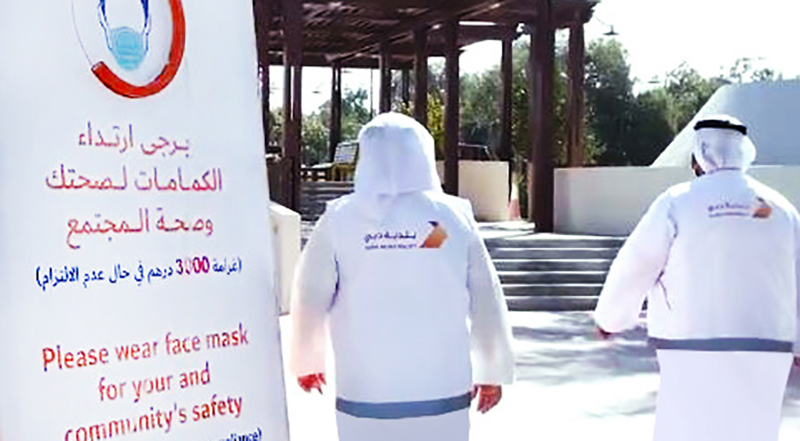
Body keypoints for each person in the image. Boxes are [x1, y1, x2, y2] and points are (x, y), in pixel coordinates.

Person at [289, 112, 515, 441]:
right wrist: (491, 368)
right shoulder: (452, 216)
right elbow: (485, 296)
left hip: (364, 392)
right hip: (443, 388)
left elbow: (309, 293)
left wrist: (307, 360)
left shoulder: (340, 217)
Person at [594, 114, 800, 441]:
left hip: (688, 349)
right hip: (766, 347)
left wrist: (611, 318)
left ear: (699, 156)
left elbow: (637, 262)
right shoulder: (781, 208)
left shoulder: (677, 202)